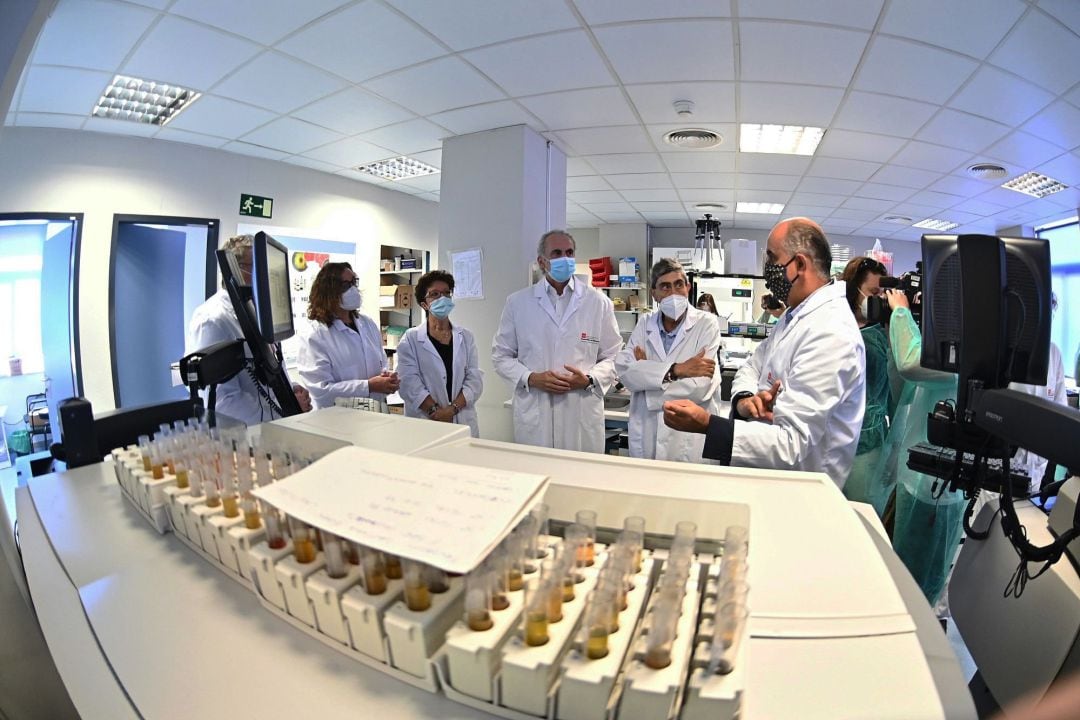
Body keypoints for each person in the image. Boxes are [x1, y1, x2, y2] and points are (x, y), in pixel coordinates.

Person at [662, 217, 865, 485]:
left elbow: (791, 445)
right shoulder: (794, 315)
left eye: (771, 257)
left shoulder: (831, 332)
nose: (767, 267)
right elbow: (752, 366)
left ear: (799, 265)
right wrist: (746, 399)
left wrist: (707, 425)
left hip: (802, 495)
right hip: (771, 481)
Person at [492, 229, 622, 453]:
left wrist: (590, 379)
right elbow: (501, 356)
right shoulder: (518, 303)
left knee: (580, 479)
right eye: (557, 253)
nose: (565, 259)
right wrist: (531, 378)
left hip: (580, 409)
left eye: (569, 252)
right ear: (542, 262)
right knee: (537, 476)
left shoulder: (597, 302)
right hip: (537, 411)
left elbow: (615, 355)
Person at [876, 288, 963, 608]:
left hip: (932, 488)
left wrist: (900, 311)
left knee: (914, 588)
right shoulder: (947, 345)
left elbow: (911, 363)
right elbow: (904, 386)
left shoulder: (968, 351)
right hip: (913, 477)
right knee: (897, 571)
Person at [187, 234, 311, 425]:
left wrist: (290, 391)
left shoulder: (255, 311)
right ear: (236, 269)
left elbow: (266, 372)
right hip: (244, 440)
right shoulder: (213, 319)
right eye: (259, 268)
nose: (267, 277)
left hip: (273, 430)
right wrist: (285, 413)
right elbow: (223, 402)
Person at [615, 258, 722, 461]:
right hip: (647, 436)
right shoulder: (645, 324)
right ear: (654, 293)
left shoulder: (706, 324)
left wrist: (647, 381)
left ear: (688, 287)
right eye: (665, 286)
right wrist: (677, 370)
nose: (673, 293)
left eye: (678, 284)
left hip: (688, 441)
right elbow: (626, 373)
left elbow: (700, 386)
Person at [297, 262, 399, 409]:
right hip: (338, 421)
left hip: (376, 411)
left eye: (354, 283)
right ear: (329, 291)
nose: (353, 289)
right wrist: (368, 386)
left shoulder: (367, 324)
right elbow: (321, 391)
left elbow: (380, 363)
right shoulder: (314, 336)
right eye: (346, 285)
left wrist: (387, 379)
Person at [396, 270, 483, 437]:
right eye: (434, 294)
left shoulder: (465, 337)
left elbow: (474, 380)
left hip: (461, 419)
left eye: (446, 293)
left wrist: (452, 409)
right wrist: (435, 411)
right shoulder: (411, 339)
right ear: (424, 304)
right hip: (426, 422)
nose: (442, 298)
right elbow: (409, 383)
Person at [838, 257, 891, 509]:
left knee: (862, 517)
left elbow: (890, 393)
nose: (878, 300)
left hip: (867, 446)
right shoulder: (838, 328)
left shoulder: (877, 336)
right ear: (853, 289)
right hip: (834, 441)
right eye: (873, 293)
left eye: (882, 294)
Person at [1009, 293, 1068, 492]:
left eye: (1050, 314)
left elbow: (1060, 413)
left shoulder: (1054, 353)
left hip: (1036, 471)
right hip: (1000, 468)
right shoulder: (1005, 351)